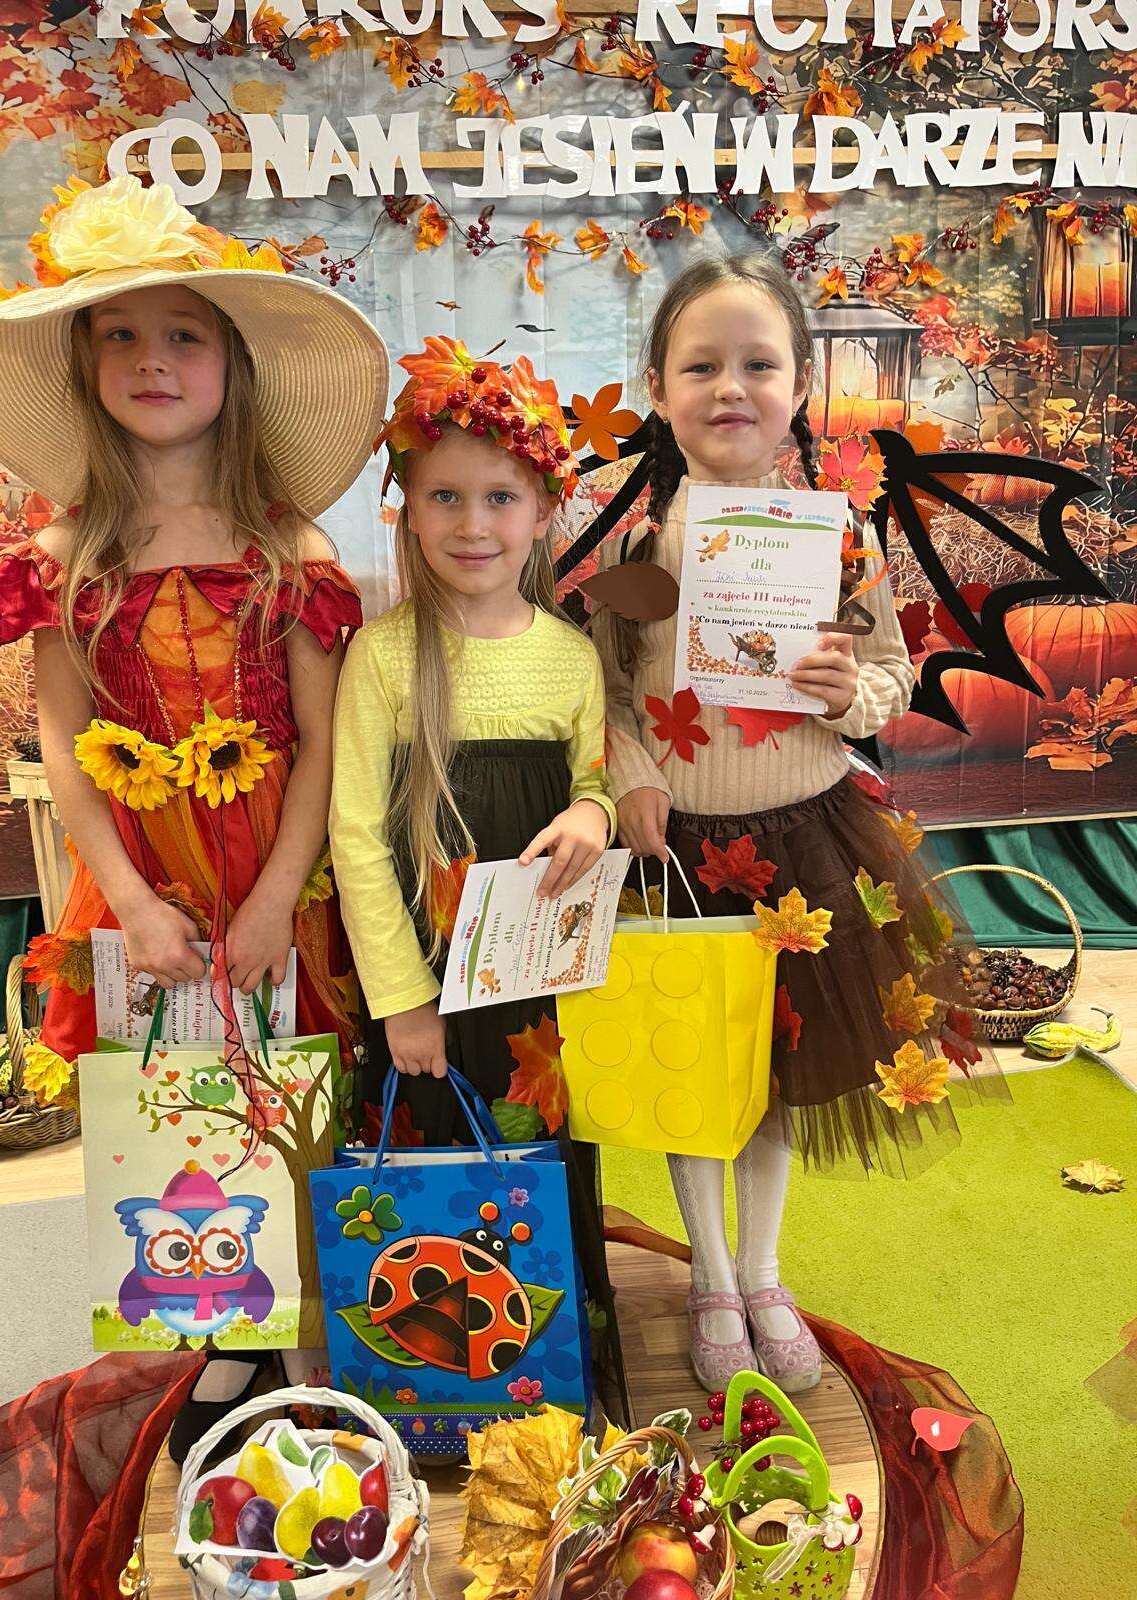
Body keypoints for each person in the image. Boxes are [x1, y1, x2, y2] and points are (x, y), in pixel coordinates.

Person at [0, 173, 388, 1455]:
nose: (153, 359)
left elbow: (322, 748)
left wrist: (274, 897)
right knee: (183, 1109)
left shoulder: (287, 552)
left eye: (184, 333)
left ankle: (316, 1333)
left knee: (297, 1092)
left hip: (278, 873)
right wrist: (130, 902)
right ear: (85, 366)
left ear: (231, 367)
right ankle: (229, 1334)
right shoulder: (63, 562)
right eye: (121, 334)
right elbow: (64, 752)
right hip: (140, 883)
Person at [584, 254, 1005, 1393]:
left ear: (802, 385)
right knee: (697, 1070)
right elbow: (605, 688)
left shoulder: (842, 533)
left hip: (807, 843)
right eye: (700, 367)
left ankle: (764, 1271)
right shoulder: (632, 541)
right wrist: (632, 772)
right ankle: (710, 1276)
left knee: (777, 1075)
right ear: (658, 388)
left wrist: (845, 694)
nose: (731, 388)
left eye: (759, 365)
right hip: (680, 852)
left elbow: (891, 672)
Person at [329, 338, 626, 1410]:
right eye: (444, 496)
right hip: (423, 979)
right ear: (406, 510)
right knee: (430, 1164)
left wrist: (593, 811)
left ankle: (553, 1358)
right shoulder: (381, 658)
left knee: (532, 1157)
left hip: (534, 981)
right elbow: (357, 835)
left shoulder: (570, 655)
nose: (472, 523)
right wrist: (402, 997)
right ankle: (431, 1383)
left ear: (542, 511)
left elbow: (596, 779)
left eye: (500, 497)